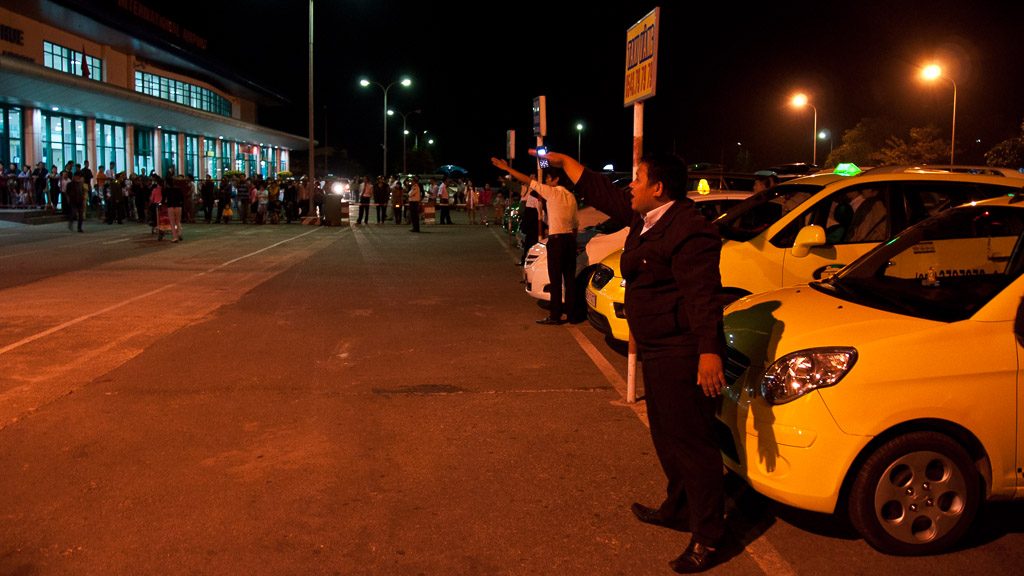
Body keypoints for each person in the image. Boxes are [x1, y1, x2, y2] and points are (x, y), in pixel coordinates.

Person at [536, 148, 728, 574]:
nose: (631, 186)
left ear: (658, 188)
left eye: (638, 178)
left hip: (682, 351)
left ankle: (709, 535)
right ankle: (678, 508)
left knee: (693, 444)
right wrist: (567, 164)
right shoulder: (647, 217)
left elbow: (702, 295)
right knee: (665, 435)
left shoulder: (689, 229)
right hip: (658, 349)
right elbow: (607, 194)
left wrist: (709, 350)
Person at [490, 157, 579, 325]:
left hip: (557, 240)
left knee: (555, 279)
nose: (545, 181)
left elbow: (528, 180)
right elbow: (575, 225)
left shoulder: (552, 193)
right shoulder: (571, 197)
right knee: (569, 279)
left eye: (547, 178)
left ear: (556, 179)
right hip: (569, 241)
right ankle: (573, 315)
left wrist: (507, 168)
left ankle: (555, 315)